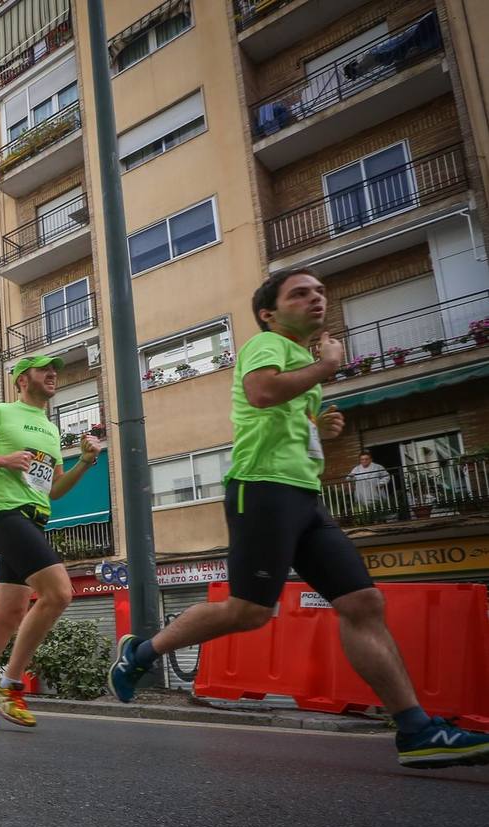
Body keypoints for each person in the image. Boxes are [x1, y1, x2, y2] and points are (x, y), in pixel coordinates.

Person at [109, 268, 489, 768]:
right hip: (262, 490)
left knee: (363, 602)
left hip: (306, 497)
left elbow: (280, 420)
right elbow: (262, 394)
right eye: (300, 293)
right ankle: (140, 655)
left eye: (320, 291)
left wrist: (320, 430)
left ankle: (416, 729)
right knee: (250, 611)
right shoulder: (268, 346)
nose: (316, 299)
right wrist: (326, 367)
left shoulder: (298, 360)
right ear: (269, 313)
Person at [0, 355, 103, 727]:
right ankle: (10, 683)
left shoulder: (49, 427)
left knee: (8, 616)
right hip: (5, 516)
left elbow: (55, 489)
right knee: (59, 593)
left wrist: (85, 462)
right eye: (44, 368)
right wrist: (2, 460)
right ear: (21, 379)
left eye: (55, 370)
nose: (52, 374)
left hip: (35, 520)